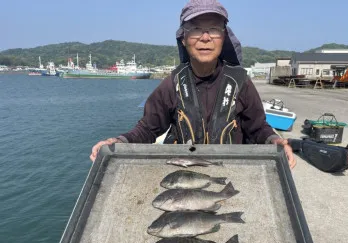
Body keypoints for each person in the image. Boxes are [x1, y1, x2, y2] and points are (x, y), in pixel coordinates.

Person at [90, 0, 296, 169]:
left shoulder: (240, 81)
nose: (205, 38)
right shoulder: (173, 83)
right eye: (196, 29)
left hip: (230, 172)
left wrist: (274, 141)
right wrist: (119, 142)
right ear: (183, 38)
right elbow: (147, 129)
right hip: (184, 173)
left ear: (223, 38)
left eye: (214, 29)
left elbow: (258, 128)